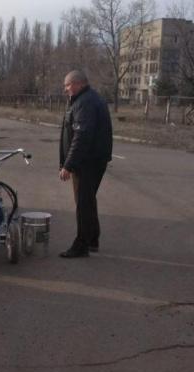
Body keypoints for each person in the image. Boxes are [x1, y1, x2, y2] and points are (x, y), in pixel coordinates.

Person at [58, 70, 113, 258]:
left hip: (87, 162)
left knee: (82, 202)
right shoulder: (85, 99)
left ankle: (81, 245)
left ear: (78, 84)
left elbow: (81, 138)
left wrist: (68, 165)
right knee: (87, 201)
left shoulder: (86, 102)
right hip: (90, 160)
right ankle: (92, 239)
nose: (66, 89)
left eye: (68, 85)